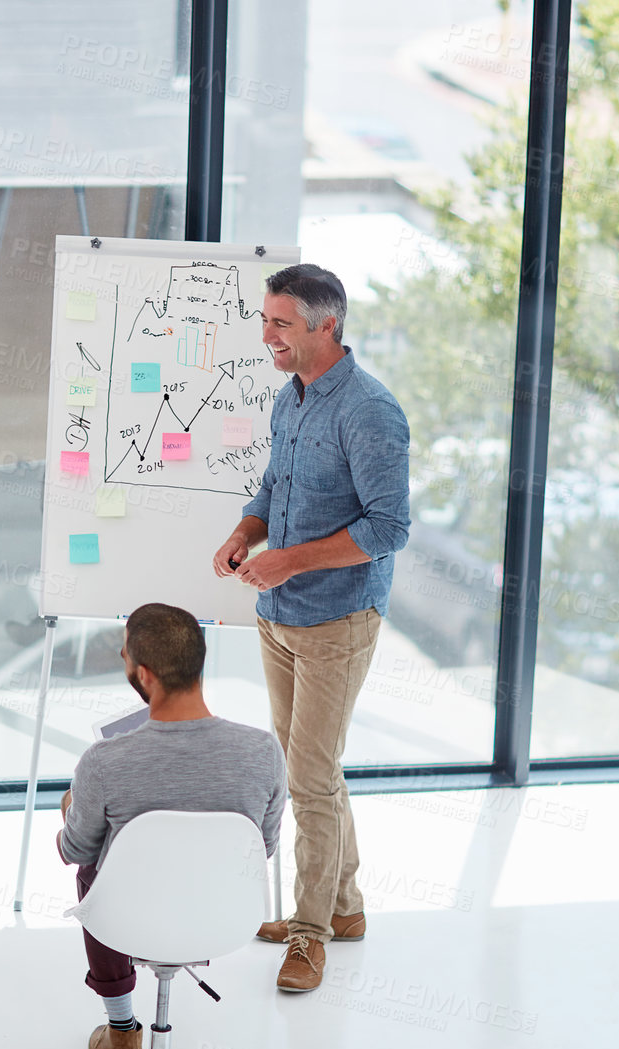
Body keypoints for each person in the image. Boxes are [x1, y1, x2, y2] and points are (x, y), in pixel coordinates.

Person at [211, 263, 411, 993]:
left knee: (310, 776)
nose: (267, 335)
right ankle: (344, 908)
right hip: (280, 616)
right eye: (265, 320)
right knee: (312, 769)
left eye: (281, 323)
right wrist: (246, 532)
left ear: (326, 325)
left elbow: (389, 527)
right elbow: (275, 483)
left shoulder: (370, 412)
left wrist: (288, 560)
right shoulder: (288, 399)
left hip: (337, 618)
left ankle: (310, 930)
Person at [57, 603, 285, 1049]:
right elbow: (261, 848)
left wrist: (72, 808)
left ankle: (122, 1032)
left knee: (92, 868)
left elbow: (73, 851)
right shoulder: (264, 751)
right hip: (224, 920)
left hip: (129, 923)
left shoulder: (104, 761)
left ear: (142, 673)